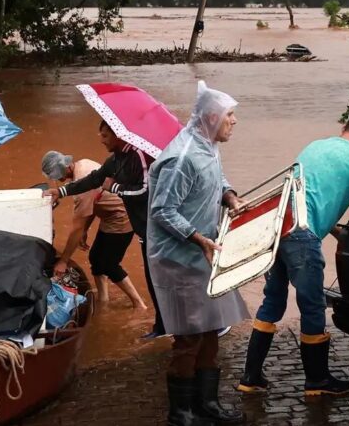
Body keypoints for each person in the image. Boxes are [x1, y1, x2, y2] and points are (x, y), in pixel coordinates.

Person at [237, 111, 349, 397]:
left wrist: (333, 230)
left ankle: (250, 376)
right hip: (303, 238)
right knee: (313, 305)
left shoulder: (314, 147)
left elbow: (306, 196)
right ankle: (317, 381)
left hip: (280, 229)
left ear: (344, 127)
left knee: (273, 301)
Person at [147, 81, 249, 426]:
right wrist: (198, 239)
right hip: (179, 258)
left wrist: (230, 197)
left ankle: (207, 404)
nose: (234, 121)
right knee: (189, 335)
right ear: (211, 117)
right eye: (229, 115)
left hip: (204, 253)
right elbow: (162, 210)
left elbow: (216, 179)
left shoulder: (207, 146)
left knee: (211, 328)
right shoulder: (182, 156)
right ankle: (181, 413)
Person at [44, 120, 168, 338]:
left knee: (109, 263)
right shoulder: (110, 161)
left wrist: (63, 260)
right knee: (99, 260)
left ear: (118, 136)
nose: (100, 140)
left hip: (130, 222)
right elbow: (95, 182)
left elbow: (143, 192)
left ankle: (145, 310)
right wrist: (62, 192)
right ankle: (107, 304)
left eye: (104, 136)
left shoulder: (136, 158)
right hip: (128, 222)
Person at [41, 151, 148, 309]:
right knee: (96, 259)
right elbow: (95, 203)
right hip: (111, 216)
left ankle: (138, 303)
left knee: (109, 264)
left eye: (57, 176)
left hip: (121, 218)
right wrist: (86, 229)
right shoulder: (83, 163)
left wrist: (63, 261)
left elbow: (76, 227)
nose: (58, 180)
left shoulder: (82, 186)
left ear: (66, 168)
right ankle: (103, 300)